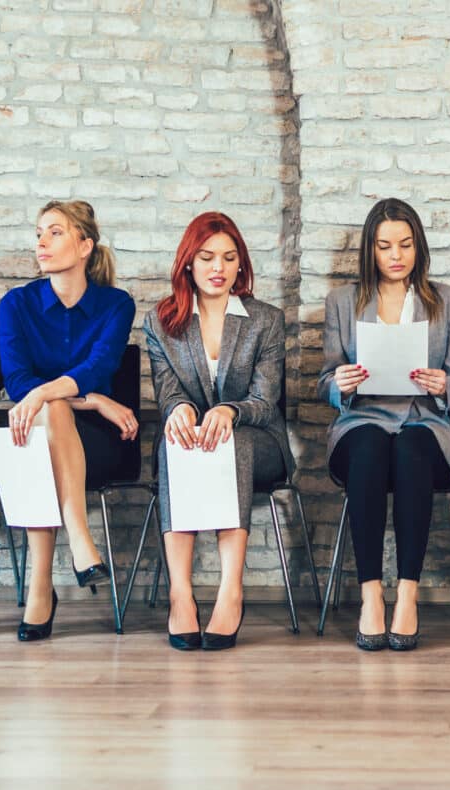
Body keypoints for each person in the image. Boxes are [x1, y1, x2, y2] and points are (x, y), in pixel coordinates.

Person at [317, 198, 450, 651]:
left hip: (427, 426)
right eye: (385, 246)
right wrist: (340, 383)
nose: (395, 255)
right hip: (363, 421)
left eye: (405, 245)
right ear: (370, 249)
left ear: (418, 247)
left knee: (409, 448)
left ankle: (408, 592)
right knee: (369, 446)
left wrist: (445, 384)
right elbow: (326, 379)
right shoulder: (342, 302)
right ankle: (372, 594)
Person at [144, 212, 294, 651]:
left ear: (241, 265)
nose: (218, 268)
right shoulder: (161, 322)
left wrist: (229, 411)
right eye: (207, 257)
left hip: (256, 440)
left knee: (234, 440)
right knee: (176, 442)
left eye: (229, 258)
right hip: (193, 444)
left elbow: (266, 402)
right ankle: (181, 595)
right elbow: (168, 392)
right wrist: (178, 412)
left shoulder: (265, 319)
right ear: (188, 262)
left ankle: (231, 591)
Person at [0, 200, 138, 641]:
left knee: (50, 411)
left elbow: (98, 367)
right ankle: (78, 537)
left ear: (84, 246)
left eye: (55, 232)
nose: (41, 241)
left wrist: (49, 393)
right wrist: (93, 399)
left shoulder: (117, 305)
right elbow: (19, 382)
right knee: (50, 412)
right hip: (35, 429)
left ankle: (41, 587)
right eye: (39, 232)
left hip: (99, 444)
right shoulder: (16, 305)